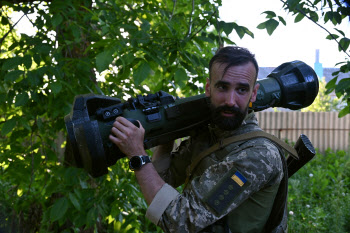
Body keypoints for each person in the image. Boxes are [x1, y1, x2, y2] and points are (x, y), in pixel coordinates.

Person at [109, 46, 287, 232]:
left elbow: (178, 221)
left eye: (241, 90)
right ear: (208, 88)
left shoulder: (257, 155)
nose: (230, 100)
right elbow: (162, 181)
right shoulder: (210, 135)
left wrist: (138, 155)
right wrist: (166, 134)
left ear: (254, 93)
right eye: (222, 87)